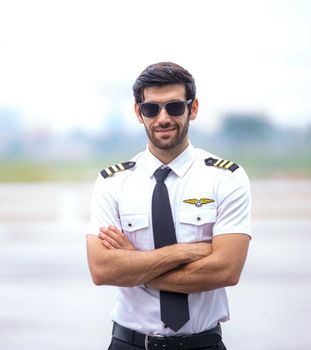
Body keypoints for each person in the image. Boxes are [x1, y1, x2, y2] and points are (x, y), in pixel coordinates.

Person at [86, 62, 252, 350]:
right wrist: (185, 252)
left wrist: (134, 265)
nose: (163, 118)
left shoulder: (226, 178)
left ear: (193, 109)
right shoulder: (112, 182)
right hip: (130, 344)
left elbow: (226, 270)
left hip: (202, 344)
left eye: (174, 107)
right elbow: (102, 270)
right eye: (151, 109)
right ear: (139, 113)